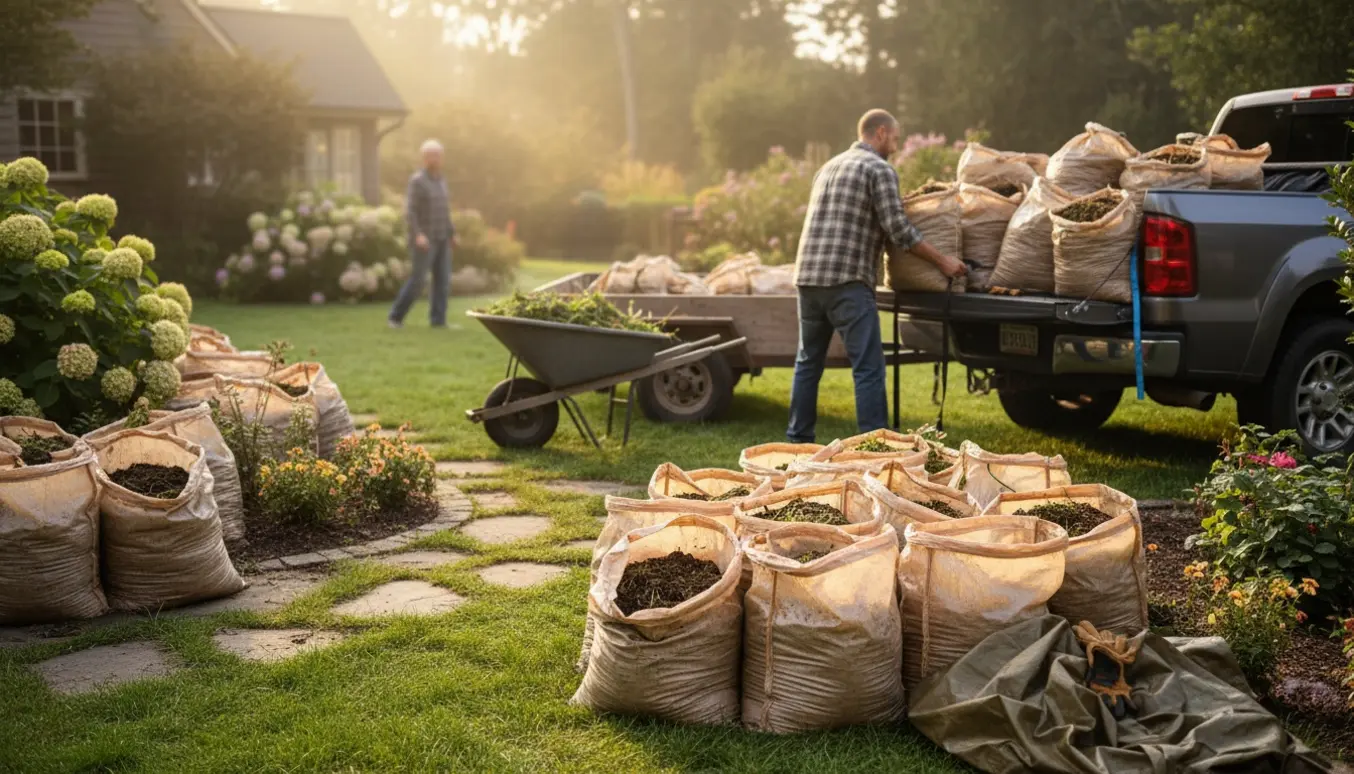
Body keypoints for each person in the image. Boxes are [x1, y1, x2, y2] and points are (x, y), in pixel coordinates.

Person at [786, 109, 966, 443]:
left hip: (807, 278)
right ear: (881, 133)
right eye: (895, 139)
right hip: (846, 281)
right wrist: (942, 261)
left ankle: (798, 442)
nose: (895, 147)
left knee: (808, 362)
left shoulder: (828, 167)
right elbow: (898, 229)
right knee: (868, 367)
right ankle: (874, 445)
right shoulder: (879, 169)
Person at [389, 139, 456, 329]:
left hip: (442, 237)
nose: (434, 159)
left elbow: (445, 209)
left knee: (442, 281)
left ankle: (438, 321)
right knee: (418, 281)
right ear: (424, 158)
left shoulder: (442, 180)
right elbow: (410, 211)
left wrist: (452, 233)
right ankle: (395, 317)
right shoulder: (417, 181)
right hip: (425, 240)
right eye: (430, 156)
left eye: (437, 155)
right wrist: (418, 234)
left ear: (442, 158)